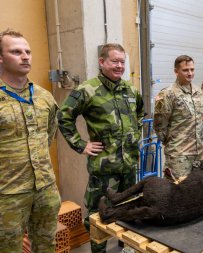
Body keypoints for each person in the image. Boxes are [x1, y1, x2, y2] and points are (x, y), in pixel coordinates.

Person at [58, 43, 144, 253]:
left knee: (128, 209)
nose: (119, 66)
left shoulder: (130, 90)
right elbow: (64, 116)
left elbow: (140, 113)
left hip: (129, 166)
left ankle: (126, 248)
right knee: (99, 215)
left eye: (122, 62)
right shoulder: (88, 90)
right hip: (104, 170)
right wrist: (81, 144)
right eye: (114, 61)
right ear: (102, 62)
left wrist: (136, 133)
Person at [0, 29, 61, 252]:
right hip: (7, 194)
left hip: (45, 188)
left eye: (28, 51)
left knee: (46, 245)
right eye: (16, 52)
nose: (25, 56)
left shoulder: (44, 97)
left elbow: (49, 135)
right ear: (1, 57)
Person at [153, 55, 203, 179]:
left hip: (199, 154)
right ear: (176, 71)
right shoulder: (168, 94)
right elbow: (160, 125)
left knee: (200, 190)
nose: (190, 73)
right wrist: (172, 143)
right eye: (185, 70)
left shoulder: (198, 91)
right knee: (177, 193)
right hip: (179, 156)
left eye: (192, 69)